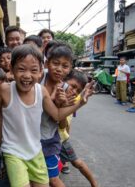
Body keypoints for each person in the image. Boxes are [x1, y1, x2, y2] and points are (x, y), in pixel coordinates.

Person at [0, 44, 94, 187]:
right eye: (21, 69)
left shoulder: (41, 91)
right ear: (11, 69)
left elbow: (57, 115)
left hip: (36, 152)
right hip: (13, 152)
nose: (27, 75)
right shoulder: (5, 89)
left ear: (41, 71)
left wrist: (81, 103)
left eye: (34, 70)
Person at [40, 42, 75, 187]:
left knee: (53, 179)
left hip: (49, 139)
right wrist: (52, 100)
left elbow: (60, 123)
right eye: (56, 63)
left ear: (70, 69)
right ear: (47, 63)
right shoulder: (37, 78)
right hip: (29, 138)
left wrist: (61, 105)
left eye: (65, 66)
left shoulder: (67, 89)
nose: (59, 69)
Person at [57, 70, 98, 187]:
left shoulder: (71, 100)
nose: (74, 91)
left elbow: (63, 125)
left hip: (61, 139)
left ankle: (94, 184)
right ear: (63, 81)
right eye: (73, 86)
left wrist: (82, 95)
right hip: (51, 141)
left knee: (77, 163)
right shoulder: (54, 94)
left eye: (78, 90)